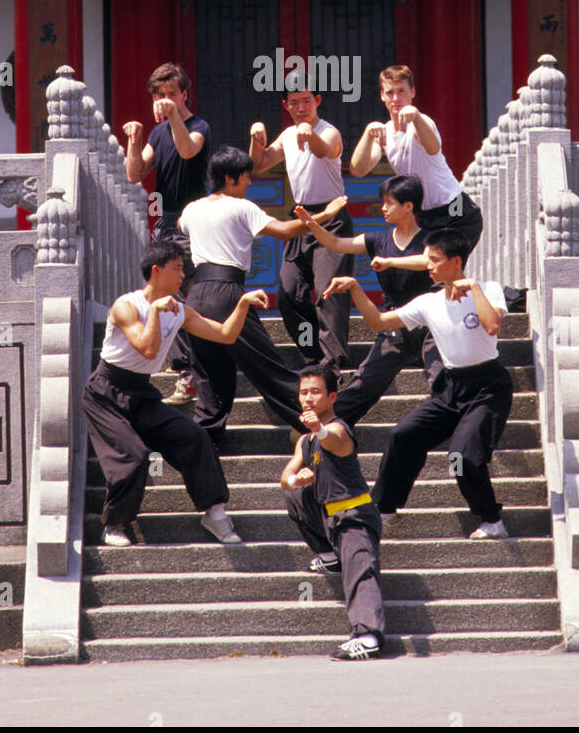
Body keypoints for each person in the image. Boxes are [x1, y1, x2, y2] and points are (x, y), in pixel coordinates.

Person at [322, 228, 512, 539]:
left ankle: (492, 519)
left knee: (462, 457)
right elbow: (378, 323)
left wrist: (474, 287)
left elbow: (492, 326)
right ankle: (384, 509)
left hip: (488, 388)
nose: (428, 265)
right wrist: (356, 288)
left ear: (456, 261)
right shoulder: (428, 302)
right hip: (451, 388)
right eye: (427, 259)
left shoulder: (488, 289)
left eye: (434, 260)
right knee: (404, 435)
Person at [82, 240, 270, 547]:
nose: (184, 275)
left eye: (184, 269)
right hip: (105, 393)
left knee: (195, 436)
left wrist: (243, 304)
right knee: (132, 455)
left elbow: (225, 334)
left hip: (141, 392)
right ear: (157, 271)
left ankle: (215, 513)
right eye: (177, 269)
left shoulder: (180, 310)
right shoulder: (126, 306)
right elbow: (147, 348)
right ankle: (115, 523)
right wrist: (155, 312)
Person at [179, 146, 344, 445]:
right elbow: (284, 230)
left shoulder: (192, 209)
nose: (250, 183)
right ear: (230, 179)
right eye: (245, 177)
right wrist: (323, 216)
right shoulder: (242, 207)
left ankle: (207, 440)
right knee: (267, 366)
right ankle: (317, 420)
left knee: (209, 372)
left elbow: (180, 227)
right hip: (227, 294)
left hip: (197, 293)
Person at [294, 174, 439, 424]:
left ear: (408, 206)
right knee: (364, 384)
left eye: (389, 202)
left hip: (430, 323)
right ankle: (327, 429)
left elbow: (427, 260)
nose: (383, 208)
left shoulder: (430, 239)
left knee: (441, 379)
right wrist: (312, 224)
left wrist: (390, 261)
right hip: (393, 322)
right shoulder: (377, 240)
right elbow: (336, 243)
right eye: (383, 202)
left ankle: (452, 432)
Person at [281, 364, 385, 660]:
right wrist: (294, 479)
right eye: (303, 393)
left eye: (316, 392)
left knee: (361, 573)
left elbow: (336, 442)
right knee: (297, 494)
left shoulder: (338, 428)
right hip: (328, 518)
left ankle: (367, 636)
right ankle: (331, 553)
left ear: (333, 397)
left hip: (354, 517)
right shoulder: (304, 440)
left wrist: (320, 428)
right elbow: (285, 476)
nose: (308, 398)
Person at [122, 62, 210, 406]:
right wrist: (134, 140)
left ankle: (196, 369)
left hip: (193, 219)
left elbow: (189, 149)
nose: (165, 100)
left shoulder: (199, 125)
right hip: (165, 223)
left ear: (184, 94)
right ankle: (187, 370)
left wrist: (173, 115)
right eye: (160, 95)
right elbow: (135, 173)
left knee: (183, 294)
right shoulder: (158, 134)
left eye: (172, 93)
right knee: (161, 294)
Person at [249, 80, 353, 367]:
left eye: (306, 100)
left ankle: (334, 364)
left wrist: (311, 135)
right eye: (294, 102)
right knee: (288, 293)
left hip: (331, 219)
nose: (300, 107)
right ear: (285, 105)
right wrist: (256, 138)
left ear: (317, 100)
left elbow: (325, 152)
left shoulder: (328, 131)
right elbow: (258, 165)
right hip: (302, 220)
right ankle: (313, 354)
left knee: (327, 293)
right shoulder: (287, 134)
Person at [349, 64, 483, 254]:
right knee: (428, 274)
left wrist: (417, 117)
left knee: (442, 267)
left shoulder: (422, 123)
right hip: (426, 215)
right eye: (390, 92)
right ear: (382, 96)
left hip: (456, 208)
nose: (396, 98)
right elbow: (358, 170)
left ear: (412, 92)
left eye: (401, 91)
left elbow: (433, 147)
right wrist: (368, 134)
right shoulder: (385, 132)